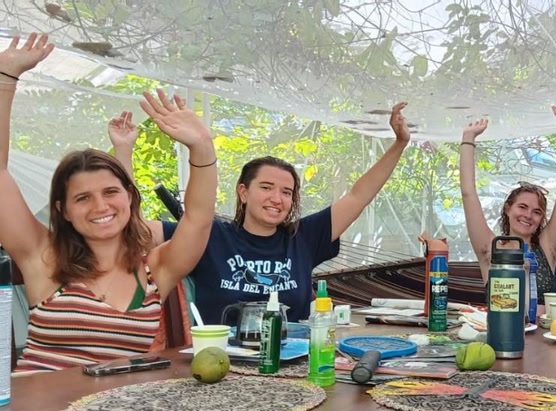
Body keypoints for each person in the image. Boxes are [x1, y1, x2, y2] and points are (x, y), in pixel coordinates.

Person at [0, 34, 219, 371]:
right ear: (63, 210)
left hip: (113, 403)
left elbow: (199, 219)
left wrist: (202, 146)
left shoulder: (156, 270)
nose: (100, 206)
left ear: (129, 197)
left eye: (110, 192)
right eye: (83, 198)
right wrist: (5, 79)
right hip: (38, 403)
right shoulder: (43, 256)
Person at [113, 103, 412, 324]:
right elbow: (131, 228)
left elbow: (358, 196)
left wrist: (399, 144)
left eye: (286, 192)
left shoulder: (303, 238)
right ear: (243, 192)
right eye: (266, 188)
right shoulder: (207, 234)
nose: (277, 199)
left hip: (294, 363)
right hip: (220, 365)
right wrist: (124, 152)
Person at [458, 105, 556, 298]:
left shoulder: (547, 247)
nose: (528, 215)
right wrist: (468, 138)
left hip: (543, 319)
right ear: (508, 208)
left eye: (537, 212)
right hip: (500, 318)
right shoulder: (490, 249)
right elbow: (468, 194)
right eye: (522, 207)